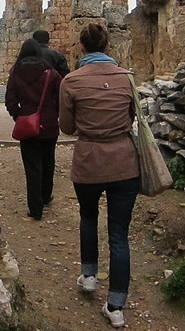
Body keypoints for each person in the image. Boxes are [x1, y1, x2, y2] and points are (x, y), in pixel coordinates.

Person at [58, 23, 140, 329]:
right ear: (108, 47)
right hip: (123, 163)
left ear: (81, 48)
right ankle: (116, 304)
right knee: (119, 234)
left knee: (88, 218)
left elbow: (67, 128)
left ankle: (89, 276)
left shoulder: (71, 81)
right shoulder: (127, 78)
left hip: (89, 160)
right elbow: (132, 117)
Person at [5, 38, 62, 221]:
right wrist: (54, 114)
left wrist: (19, 116)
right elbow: (61, 96)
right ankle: (45, 196)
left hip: (28, 124)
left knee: (32, 167)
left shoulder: (16, 72)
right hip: (49, 124)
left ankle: (35, 208)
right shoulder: (50, 73)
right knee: (48, 161)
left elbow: (10, 99)